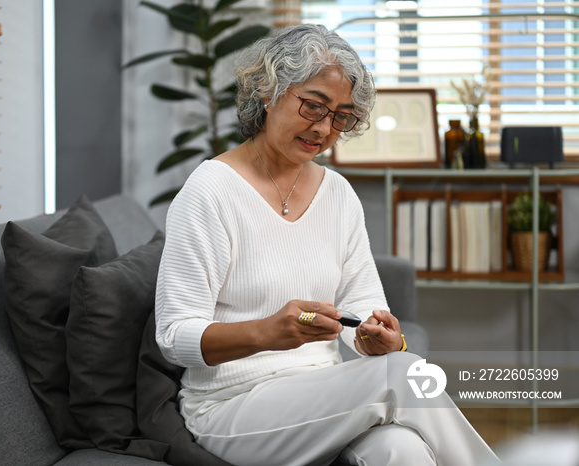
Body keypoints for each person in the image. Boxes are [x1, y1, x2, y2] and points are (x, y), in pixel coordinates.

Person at [155, 24, 500, 466]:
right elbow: (172, 336)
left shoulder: (337, 193)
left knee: (402, 450)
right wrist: (265, 332)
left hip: (323, 397)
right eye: (313, 106)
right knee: (401, 373)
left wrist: (376, 338)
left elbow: (363, 307)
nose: (324, 128)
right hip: (230, 407)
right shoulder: (210, 190)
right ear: (268, 90)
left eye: (340, 116)